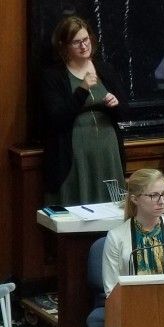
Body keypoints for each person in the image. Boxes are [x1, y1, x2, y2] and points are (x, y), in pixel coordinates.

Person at [40, 15, 126, 206]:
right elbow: (56, 118)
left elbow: (124, 112)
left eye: (86, 40)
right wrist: (82, 90)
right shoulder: (53, 76)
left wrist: (115, 104)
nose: (83, 46)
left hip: (107, 150)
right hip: (74, 153)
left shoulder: (105, 69)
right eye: (76, 42)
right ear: (64, 46)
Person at [102, 168, 164, 296]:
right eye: (154, 195)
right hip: (131, 309)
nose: (162, 201)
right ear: (135, 199)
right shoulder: (116, 237)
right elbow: (111, 290)